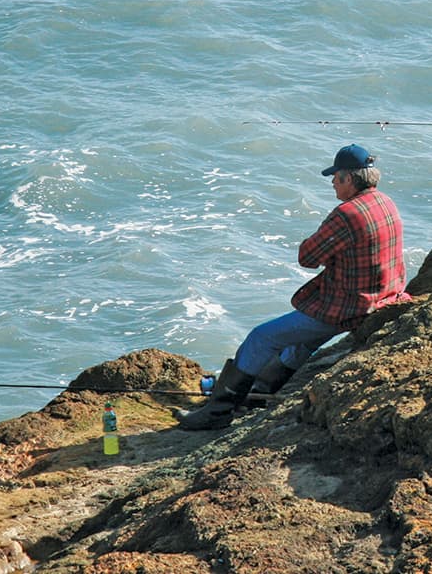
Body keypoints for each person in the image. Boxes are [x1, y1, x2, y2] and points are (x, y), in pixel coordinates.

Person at [175, 143, 411, 430]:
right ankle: (256, 396)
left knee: (261, 338)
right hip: (385, 297)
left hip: (350, 307)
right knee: (299, 343)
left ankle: (218, 411)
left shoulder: (347, 214)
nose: (333, 184)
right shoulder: (385, 202)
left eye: (335, 178)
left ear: (349, 178)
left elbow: (307, 257)